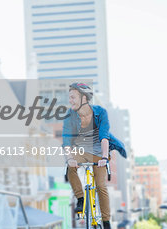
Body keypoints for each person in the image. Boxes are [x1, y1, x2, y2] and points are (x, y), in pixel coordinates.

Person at [62, 83, 127, 229]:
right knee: (70, 167)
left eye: (73, 97)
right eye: (69, 97)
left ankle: (106, 221)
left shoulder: (100, 112)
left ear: (83, 98)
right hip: (80, 152)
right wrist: (70, 158)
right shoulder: (69, 116)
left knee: (101, 186)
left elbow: (104, 137)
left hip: (98, 153)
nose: (70, 100)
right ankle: (80, 198)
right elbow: (66, 139)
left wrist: (105, 157)